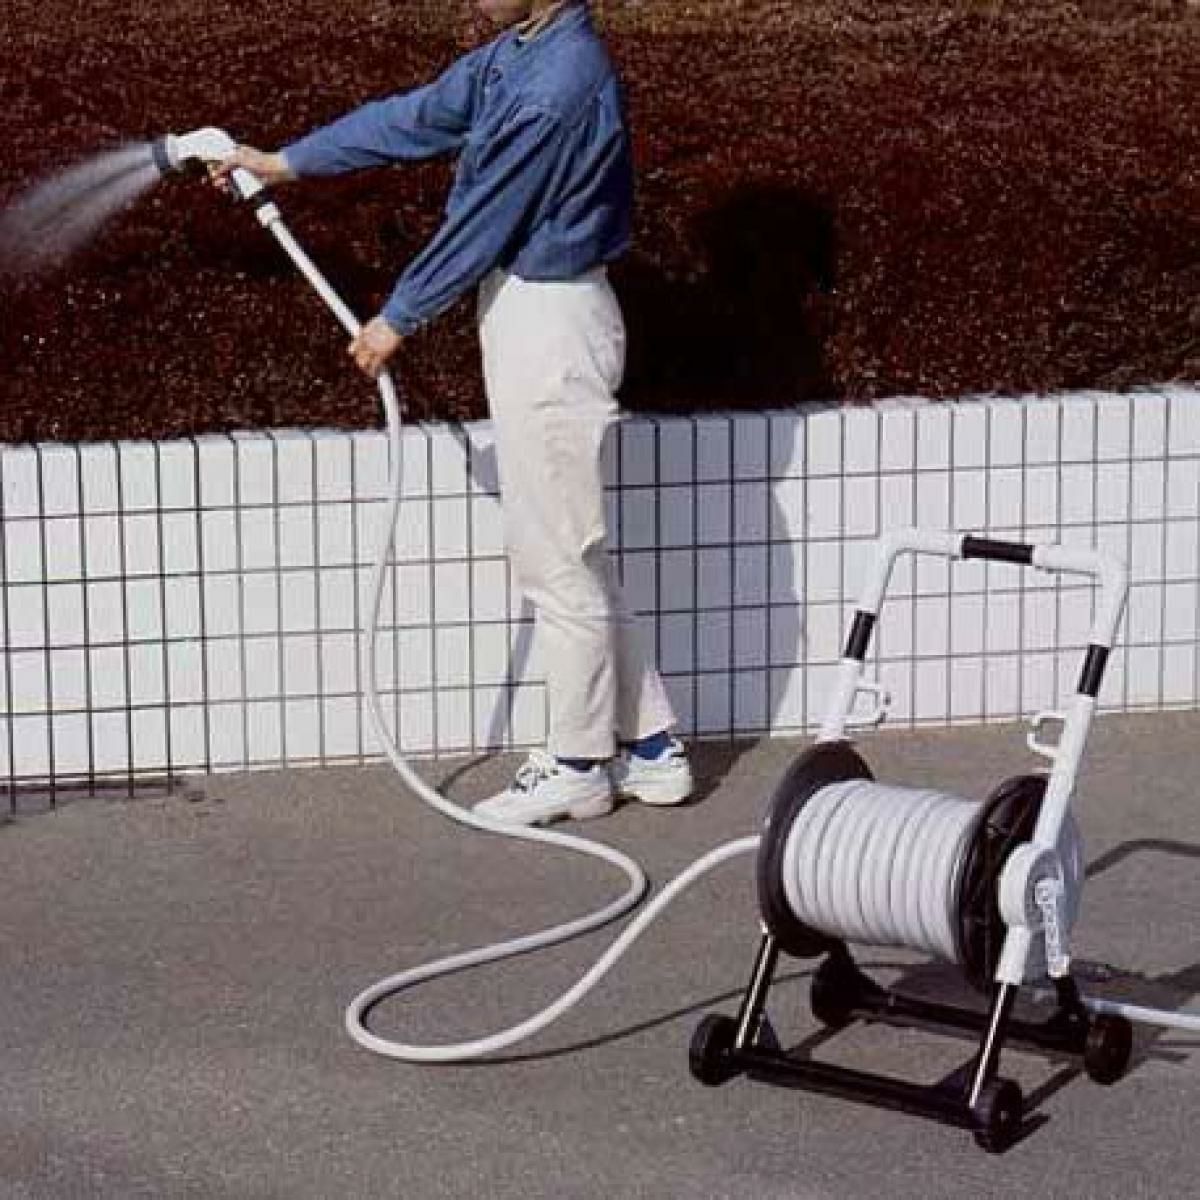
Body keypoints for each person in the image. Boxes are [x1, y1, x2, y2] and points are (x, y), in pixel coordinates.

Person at [213, 0, 693, 825]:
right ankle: (649, 748)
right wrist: (286, 162)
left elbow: (483, 220)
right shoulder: (521, 51)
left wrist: (398, 318)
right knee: (574, 547)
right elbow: (418, 117)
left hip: (554, 324)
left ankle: (579, 765)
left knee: (556, 559)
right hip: (534, 311)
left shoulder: (557, 84)